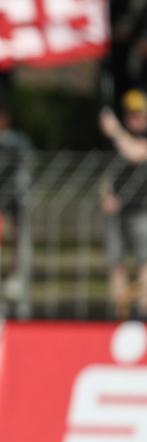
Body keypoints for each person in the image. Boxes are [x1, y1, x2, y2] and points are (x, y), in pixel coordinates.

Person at [99, 89, 147, 319]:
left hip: (142, 212)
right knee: (115, 264)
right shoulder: (116, 141)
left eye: (138, 113)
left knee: (144, 263)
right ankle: (119, 315)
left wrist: (115, 130)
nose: (133, 118)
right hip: (116, 212)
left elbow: (136, 153)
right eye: (129, 113)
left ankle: (144, 312)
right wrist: (106, 194)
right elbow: (108, 172)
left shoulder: (125, 138)